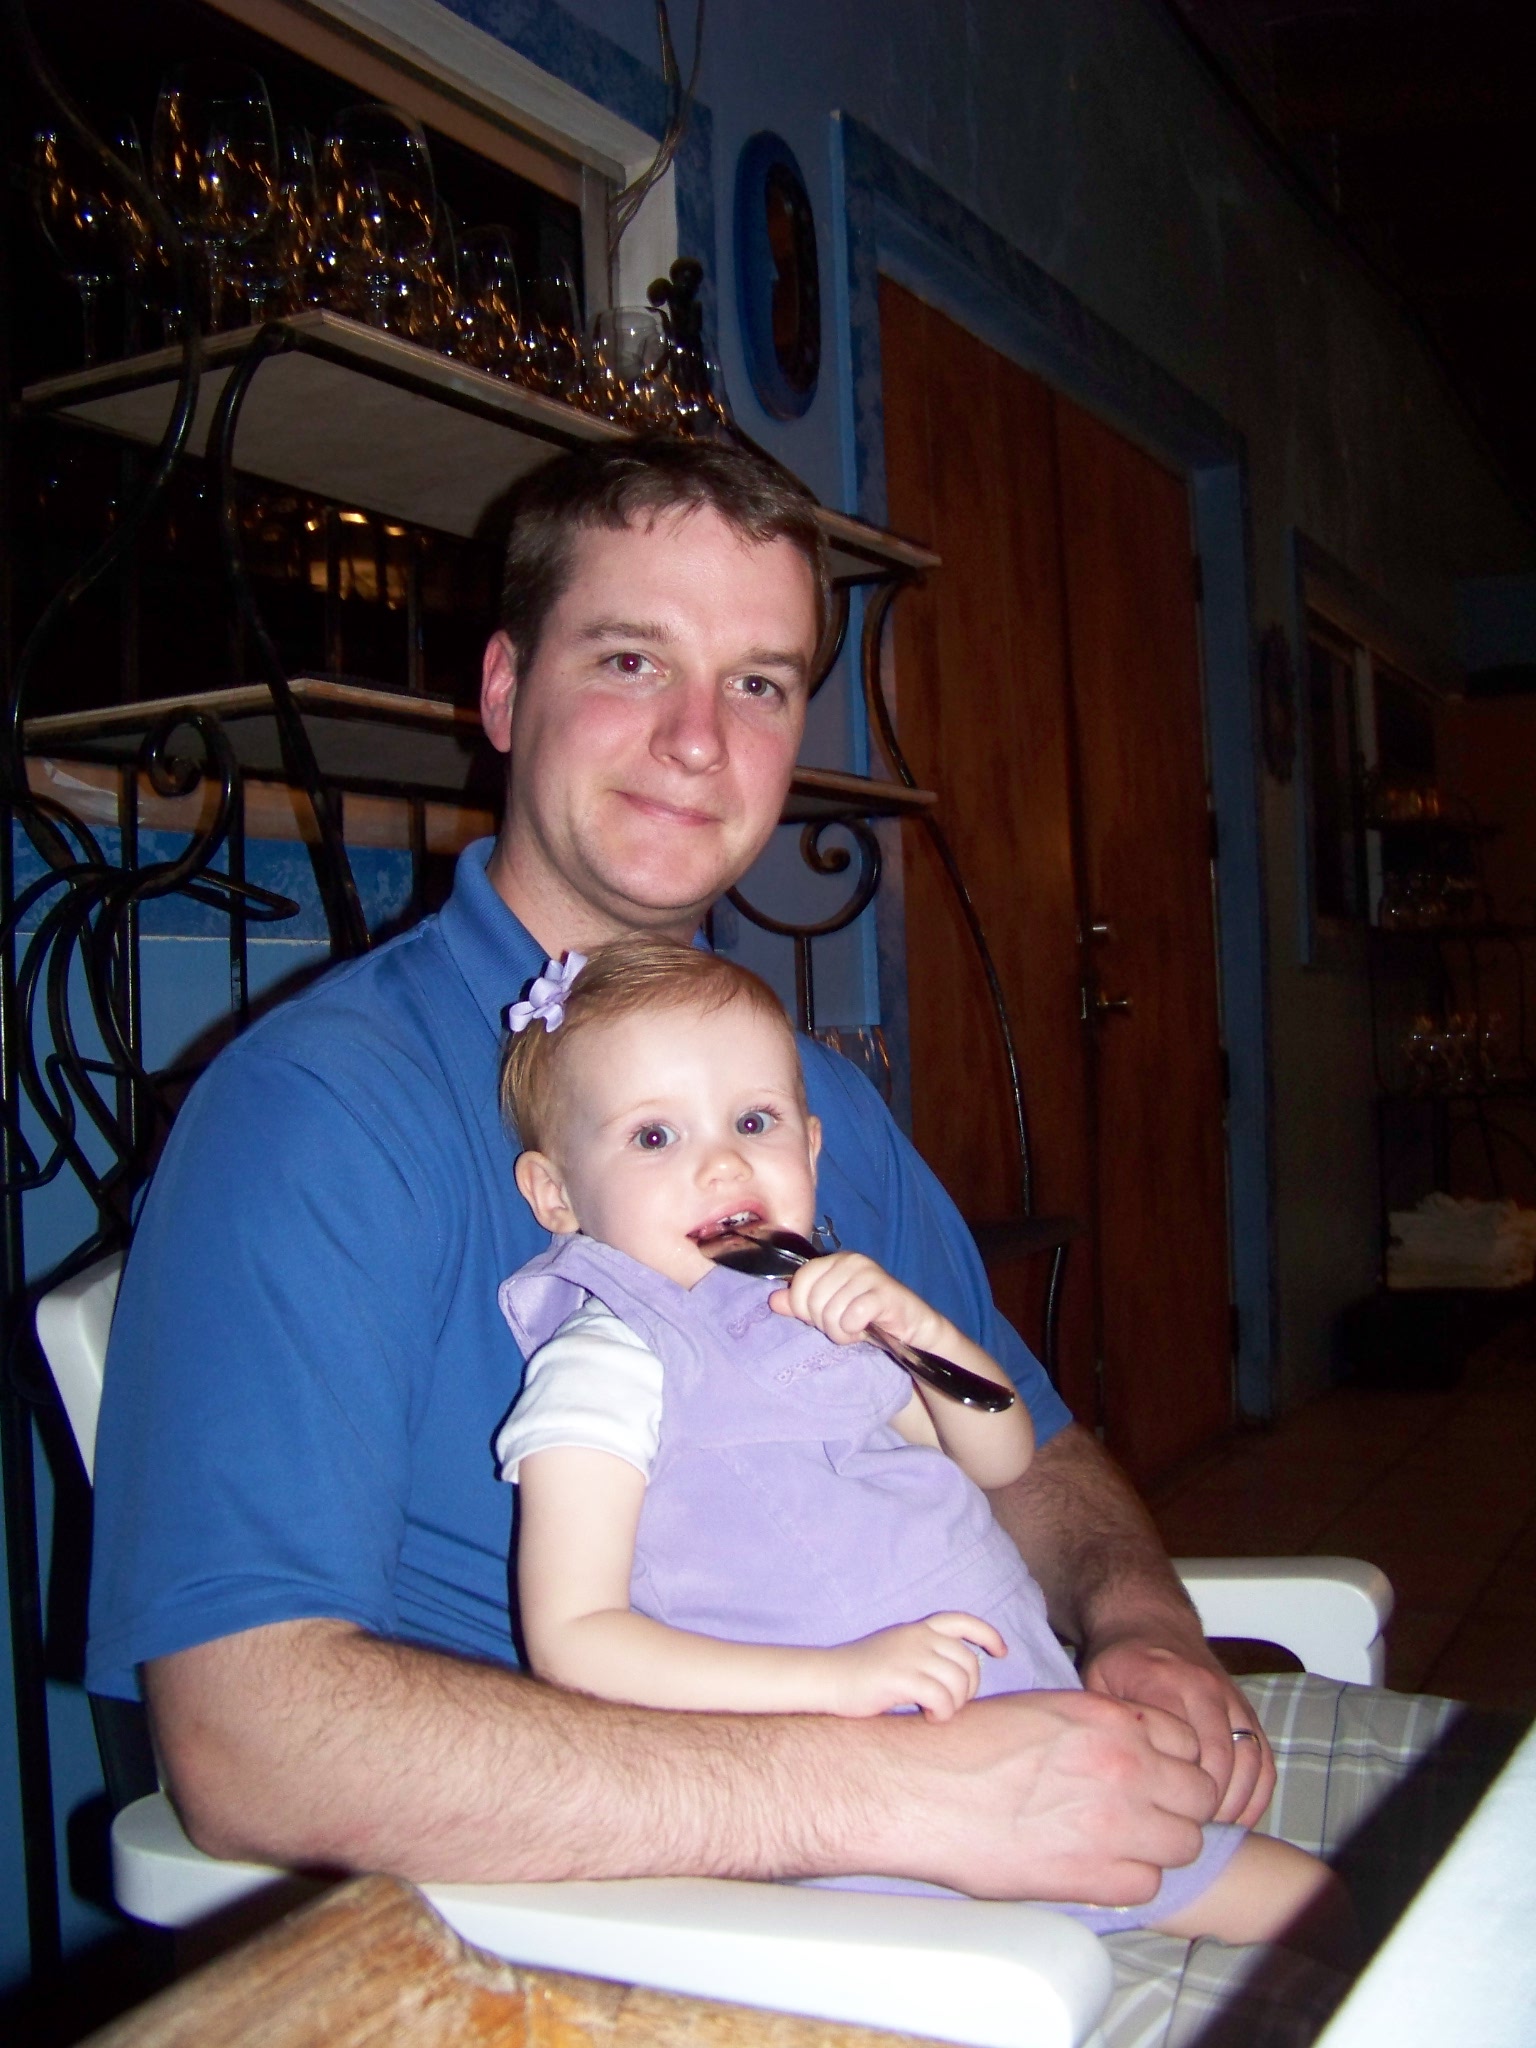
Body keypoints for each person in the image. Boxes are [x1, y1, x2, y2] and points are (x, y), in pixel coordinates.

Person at [86, 437, 1474, 2045]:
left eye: (758, 684)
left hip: (1006, 1766)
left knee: (1474, 1904)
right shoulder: (321, 1109)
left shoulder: (813, 1107)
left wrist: (1140, 1628)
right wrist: (905, 1798)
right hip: (633, 1925)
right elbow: (248, 1739)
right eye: (631, 660)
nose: (698, 740)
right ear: (505, 691)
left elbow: (1028, 1446)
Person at [494, 935, 1350, 1963]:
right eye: (654, 1136)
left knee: (1318, 1900)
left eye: (754, 1121)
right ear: (556, 1195)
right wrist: (837, 1679)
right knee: (1305, 1911)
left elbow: (998, 1456)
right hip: (874, 1812)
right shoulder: (608, 1364)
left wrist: (922, 1330)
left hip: (1041, 1739)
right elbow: (577, 1639)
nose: (722, 1163)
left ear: (811, 1147)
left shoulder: (809, 1310)